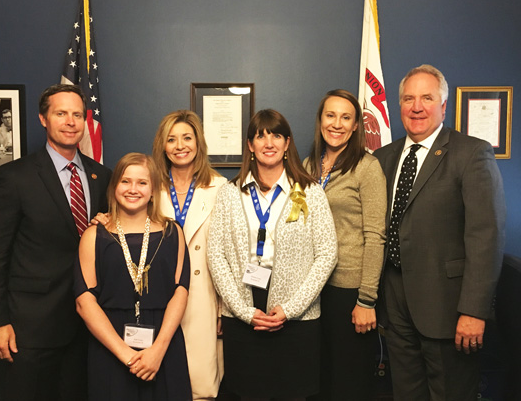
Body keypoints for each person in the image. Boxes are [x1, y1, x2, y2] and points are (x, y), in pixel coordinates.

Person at [373, 64, 506, 401]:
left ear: (443, 106)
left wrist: (474, 310)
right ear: (399, 105)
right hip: (396, 302)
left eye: (427, 98)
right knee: (406, 393)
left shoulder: (471, 153)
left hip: (450, 308)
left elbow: (485, 237)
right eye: (408, 98)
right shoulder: (383, 157)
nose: (417, 106)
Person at [0, 84, 112, 401]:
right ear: (43, 119)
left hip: (88, 326)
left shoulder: (101, 177)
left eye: (77, 114)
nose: (70, 121)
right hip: (30, 330)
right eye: (61, 113)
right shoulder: (15, 177)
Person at [207, 109, 338, 400]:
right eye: (260, 135)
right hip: (244, 315)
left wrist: (291, 309)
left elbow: (328, 254)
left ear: (287, 143)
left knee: (293, 393)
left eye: (276, 135)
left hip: (296, 319)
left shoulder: (310, 192)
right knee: (246, 392)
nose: (269, 142)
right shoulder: (230, 194)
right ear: (250, 145)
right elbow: (216, 255)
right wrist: (244, 312)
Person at [75, 153, 192, 401]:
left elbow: (180, 292)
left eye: (142, 183)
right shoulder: (94, 235)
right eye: (125, 181)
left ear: (153, 190)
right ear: (114, 186)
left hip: (163, 346)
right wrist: (128, 356)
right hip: (110, 347)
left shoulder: (173, 232)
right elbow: (84, 302)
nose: (133, 189)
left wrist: (157, 351)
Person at [305, 89, 386, 401]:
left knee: (348, 381)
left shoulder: (367, 167)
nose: (336, 124)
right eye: (330, 115)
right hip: (313, 288)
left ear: (355, 127)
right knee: (319, 378)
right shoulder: (309, 165)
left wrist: (366, 300)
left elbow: (375, 235)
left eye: (346, 117)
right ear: (321, 120)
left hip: (349, 289)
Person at [153, 110, 227, 400]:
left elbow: (228, 255)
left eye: (187, 137)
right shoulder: (148, 187)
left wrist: (223, 309)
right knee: (159, 380)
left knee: (201, 385)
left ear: (199, 143)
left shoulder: (221, 188)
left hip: (203, 298)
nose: (180, 145)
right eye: (171, 139)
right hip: (157, 297)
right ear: (162, 145)